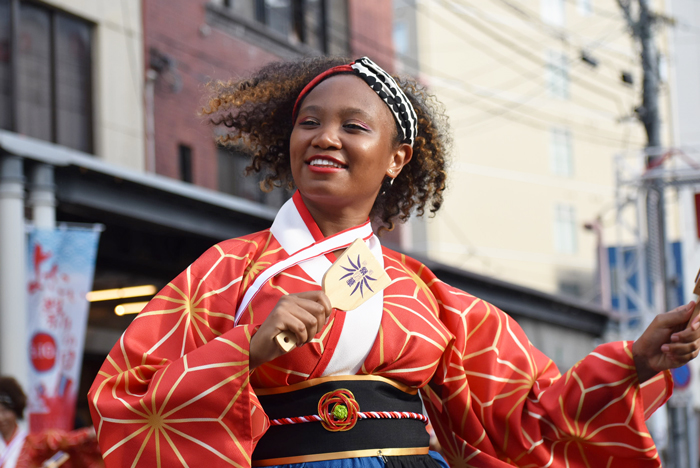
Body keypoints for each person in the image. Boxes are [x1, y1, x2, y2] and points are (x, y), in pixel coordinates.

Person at [88, 56, 700, 468]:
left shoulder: (426, 294)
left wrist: (638, 359)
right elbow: (122, 401)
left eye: (353, 126)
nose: (325, 137)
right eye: (310, 123)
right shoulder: (224, 270)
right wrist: (246, 350)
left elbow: (527, 415)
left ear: (396, 159)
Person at [0, 377, 102, 468]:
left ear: (16, 410)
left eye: (5, 411)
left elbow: (64, 442)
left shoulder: (33, 445)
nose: (1, 417)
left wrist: (88, 434)